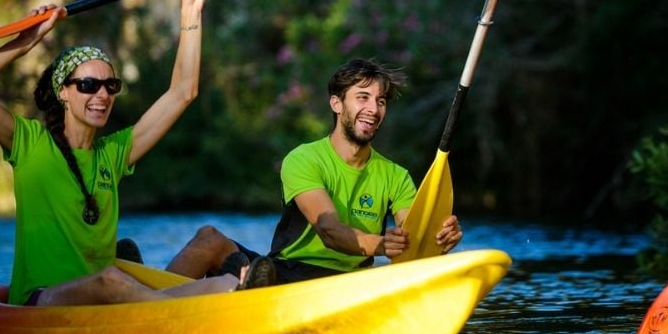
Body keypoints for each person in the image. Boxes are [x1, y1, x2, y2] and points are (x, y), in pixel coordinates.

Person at [0, 0, 273, 306]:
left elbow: (183, 92)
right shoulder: (28, 143)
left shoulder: (114, 152)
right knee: (109, 280)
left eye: (111, 86)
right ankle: (175, 311)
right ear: (63, 92)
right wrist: (24, 43)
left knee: (222, 281)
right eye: (89, 85)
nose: (102, 94)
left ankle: (237, 293)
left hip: (102, 306)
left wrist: (191, 8)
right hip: (42, 303)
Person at [163, 58, 463, 283]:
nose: (374, 108)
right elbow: (329, 231)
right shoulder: (303, 159)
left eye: (380, 101)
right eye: (363, 97)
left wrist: (438, 238)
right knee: (209, 237)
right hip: (287, 275)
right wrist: (382, 244)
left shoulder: (396, 176)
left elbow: (413, 235)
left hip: (350, 284)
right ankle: (150, 301)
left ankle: (236, 282)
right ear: (336, 104)